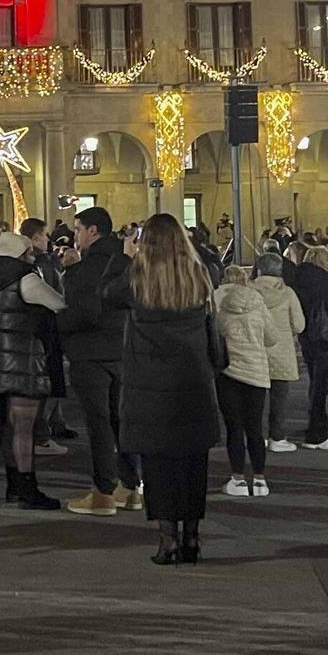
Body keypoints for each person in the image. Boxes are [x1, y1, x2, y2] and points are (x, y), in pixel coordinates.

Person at [107, 212, 219, 565]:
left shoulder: (137, 277)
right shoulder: (199, 274)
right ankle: (192, 537)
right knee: (193, 465)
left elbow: (106, 295)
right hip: (193, 383)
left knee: (158, 467)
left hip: (150, 386)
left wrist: (124, 255)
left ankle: (167, 539)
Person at [58, 206, 141, 516]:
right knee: (122, 420)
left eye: (78, 229)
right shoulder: (126, 263)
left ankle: (103, 492)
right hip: (121, 350)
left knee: (99, 424)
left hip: (90, 354)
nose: (74, 235)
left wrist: (58, 323)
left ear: (92, 231)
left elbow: (83, 312)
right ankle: (130, 487)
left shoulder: (88, 268)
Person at [0, 230, 65, 510]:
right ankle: (29, 488)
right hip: (26, 360)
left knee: (11, 426)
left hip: (1, 362)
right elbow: (60, 304)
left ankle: (13, 485)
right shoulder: (27, 281)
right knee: (25, 428)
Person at [213, 264, 275, 497]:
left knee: (234, 427)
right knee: (256, 428)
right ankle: (260, 479)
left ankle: (237, 478)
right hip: (257, 372)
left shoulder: (217, 302)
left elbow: (214, 336)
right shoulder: (257, 302)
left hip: (228, 373)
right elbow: (271, 337)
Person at [251, 252, 306, 454]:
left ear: (258, 269)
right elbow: (299, 325)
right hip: (281, 350)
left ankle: (257, 436)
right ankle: (277, 437)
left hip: (254, 349)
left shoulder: (248, 291)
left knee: (256, 398)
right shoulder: (288, 293)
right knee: (279, 398)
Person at [296, 246, 328, 449]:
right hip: (325, 339)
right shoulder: (323, 282)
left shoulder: (298, 279)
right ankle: (317, 433)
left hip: (307, 336)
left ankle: (320, 427)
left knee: (315, 383)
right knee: (322, 386)